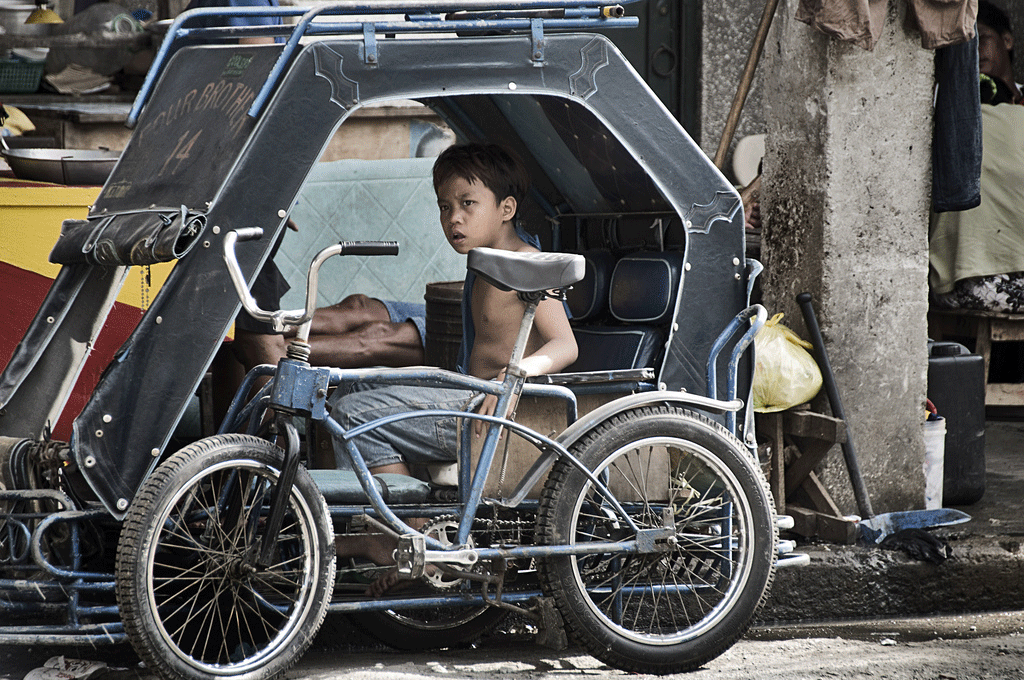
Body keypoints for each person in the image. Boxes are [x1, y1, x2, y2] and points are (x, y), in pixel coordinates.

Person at [330, 143, 578, 594]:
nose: (453, 219)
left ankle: (413, 537)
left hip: (493, 412)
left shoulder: (527, 265)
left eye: (467, 204)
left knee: (353, 415)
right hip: (470, 398)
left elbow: (565, 344)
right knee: (348, 394)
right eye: (445, 207)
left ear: (506, 209)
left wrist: (513, 377)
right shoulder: (485, 262)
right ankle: (402, 531)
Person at [929, 0, 1024, 313]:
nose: (974, 50)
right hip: (974, 277)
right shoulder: (942, 108)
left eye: (982, 38)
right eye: (963, 42)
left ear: (1007, 40)